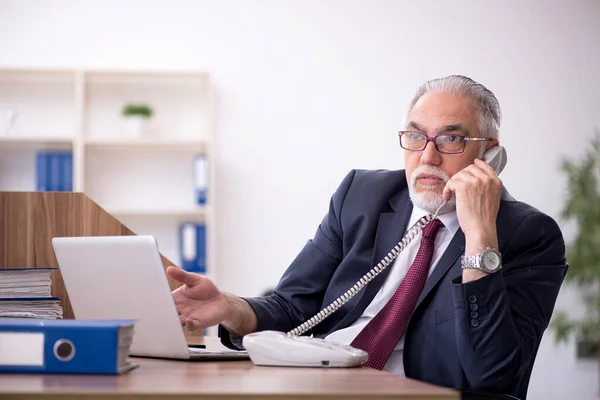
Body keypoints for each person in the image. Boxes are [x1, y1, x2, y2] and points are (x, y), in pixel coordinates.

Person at [167, 75, 568, 396]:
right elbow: (293, 308)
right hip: (316, 382)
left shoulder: (529, 235)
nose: (427, 157)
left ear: (489, 155)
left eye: (451, 139)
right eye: (415, 136)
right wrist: (230, 308)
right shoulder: (362, 195)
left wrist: (480, 237)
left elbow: (493, 375)